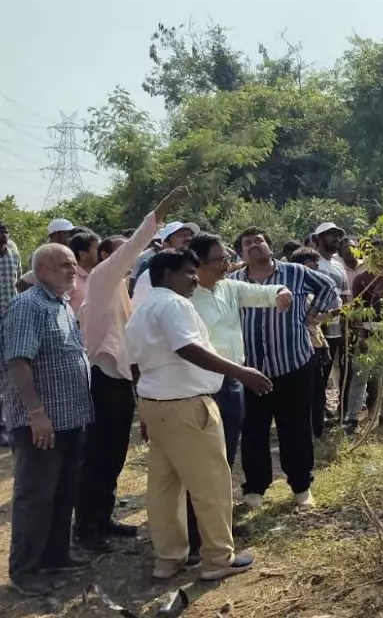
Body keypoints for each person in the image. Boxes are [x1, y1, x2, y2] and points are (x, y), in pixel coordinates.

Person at [125, 249, 272, 581]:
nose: (195, 278)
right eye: (189, 272)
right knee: (211, 485)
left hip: (156, 404)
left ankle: (169, 559)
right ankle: (218, 558)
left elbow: (135, 364)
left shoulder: (142, 307)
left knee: (164, 488)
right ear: (166, 274)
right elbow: (187, 348)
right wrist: (242, 371)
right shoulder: (174, 304)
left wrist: (145, 411)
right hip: (187, 405)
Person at [72, 187, 187, 553]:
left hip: (119, 379)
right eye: (121, 251)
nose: (132, 256)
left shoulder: (120, 288)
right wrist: (161, 212)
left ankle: (102, 519)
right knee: (99, 455)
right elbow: (136, 243)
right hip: (102, 379)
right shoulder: (105, 276)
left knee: (114, 453)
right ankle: (87, 529)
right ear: (107, 255)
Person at [183, 232, 291, 560]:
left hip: (231, 386)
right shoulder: (185, 297)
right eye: (219, 260)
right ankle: (194, 537)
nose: (226, 265)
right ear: (198, 263)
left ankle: (218, 526)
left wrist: (280, 292)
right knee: (202, 464)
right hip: (202, 388)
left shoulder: (228, 287)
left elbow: (257, 292)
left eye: (226, 258)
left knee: (225, 459)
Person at [2, 243, 93, 596]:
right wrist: (36, 413)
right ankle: (25, 571)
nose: (71, 271)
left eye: (72, 264)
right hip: (41, 423)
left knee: (62, 491)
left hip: (70, 419)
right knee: (36, 496)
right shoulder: (29, 306)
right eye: (62, 266)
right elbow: (18, 362)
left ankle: (56, 555)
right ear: (40, 271)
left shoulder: (61, 305)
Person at [228, 227, 339, 508]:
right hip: (251, 369)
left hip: (294, 364)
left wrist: (312, 315)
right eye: (248, 243)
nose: (254, 245)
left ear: (269, 246)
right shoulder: (233, 282)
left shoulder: (295, 272)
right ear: (241, 252)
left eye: (259, 240)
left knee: (296, 428)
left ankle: (301, 487)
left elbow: (328, 286)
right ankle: (255, 488)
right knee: (253, 430)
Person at [346, 246, 383, 433]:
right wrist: (361, 336)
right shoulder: (362, 279)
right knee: (360, 376)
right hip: (368, 334)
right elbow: (357, 310)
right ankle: (352, 417)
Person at [287, 247, 333, 438]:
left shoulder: (311, 294)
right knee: (305, 396)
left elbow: (315, 326)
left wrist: (325, 347)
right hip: (303, 349)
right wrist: (330, 314)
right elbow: (309, 321)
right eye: (311, 261)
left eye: (316, 261)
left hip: (316, 346)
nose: (315, 265)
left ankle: (317, 434)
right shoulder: (293, 293)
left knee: (318, 394)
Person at [310, 222, 351, 422]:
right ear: (318, 239)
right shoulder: (312, 262)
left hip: (337, 327)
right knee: (318, 376)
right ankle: (315, 420)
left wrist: (347, 321)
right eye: (330, 235)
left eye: (337, 235)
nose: (335, 239)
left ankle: (334, 413)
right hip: (318, 326)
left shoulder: (338, 264)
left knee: (337, 372)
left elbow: (345, 295)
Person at [131, 221, 199, 305]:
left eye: (190, 235)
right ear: (166, 242)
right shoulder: (150, 265)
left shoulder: (196, 264)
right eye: (182, 235)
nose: (188, 238)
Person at [0, 220, 22, 447]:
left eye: (6, 232)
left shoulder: (14, 250)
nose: (4, 236)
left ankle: (9, 423)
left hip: (11, 317)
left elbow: (20, 277)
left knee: (10, 368)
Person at [67, 232, 100, 315]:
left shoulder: (99, 275)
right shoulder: (69, 278)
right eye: (98, 249)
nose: (102, 253)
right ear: (83, 254)